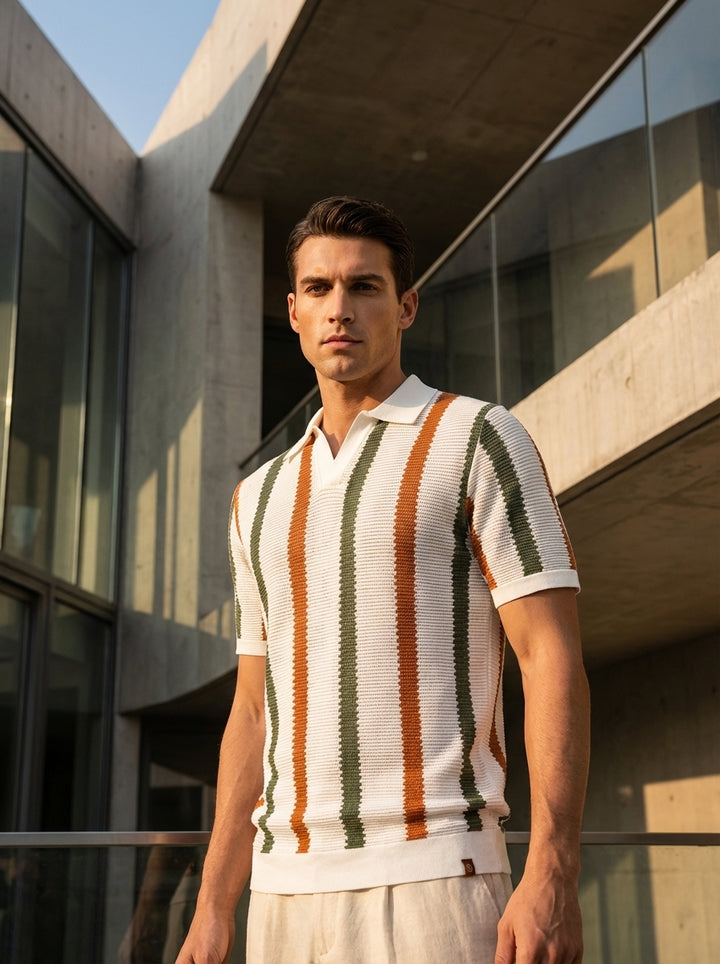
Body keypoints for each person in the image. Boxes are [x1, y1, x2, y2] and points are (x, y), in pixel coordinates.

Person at [177, 196, 590, 964]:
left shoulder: (479, 437)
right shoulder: (256, 497)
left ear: (405, 308)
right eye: (320, 289)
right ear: (293, 310)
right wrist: (212, 906)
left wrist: (553, 871)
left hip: (434, 878)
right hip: (280, 893)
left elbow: (550, 657)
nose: (341, 309)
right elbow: (252, 711)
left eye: (364, 287)